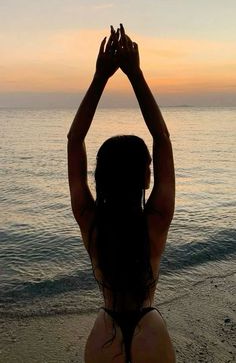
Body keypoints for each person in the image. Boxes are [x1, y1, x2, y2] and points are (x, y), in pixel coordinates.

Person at [67, 24, 176, 363]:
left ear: (100, 177)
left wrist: (101, 77)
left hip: (105, 331)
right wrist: (135, 74)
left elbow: (74, 141)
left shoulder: (90, 221)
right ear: (146, 179)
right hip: (150, 328)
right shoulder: (155, 221)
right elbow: (162, 139)